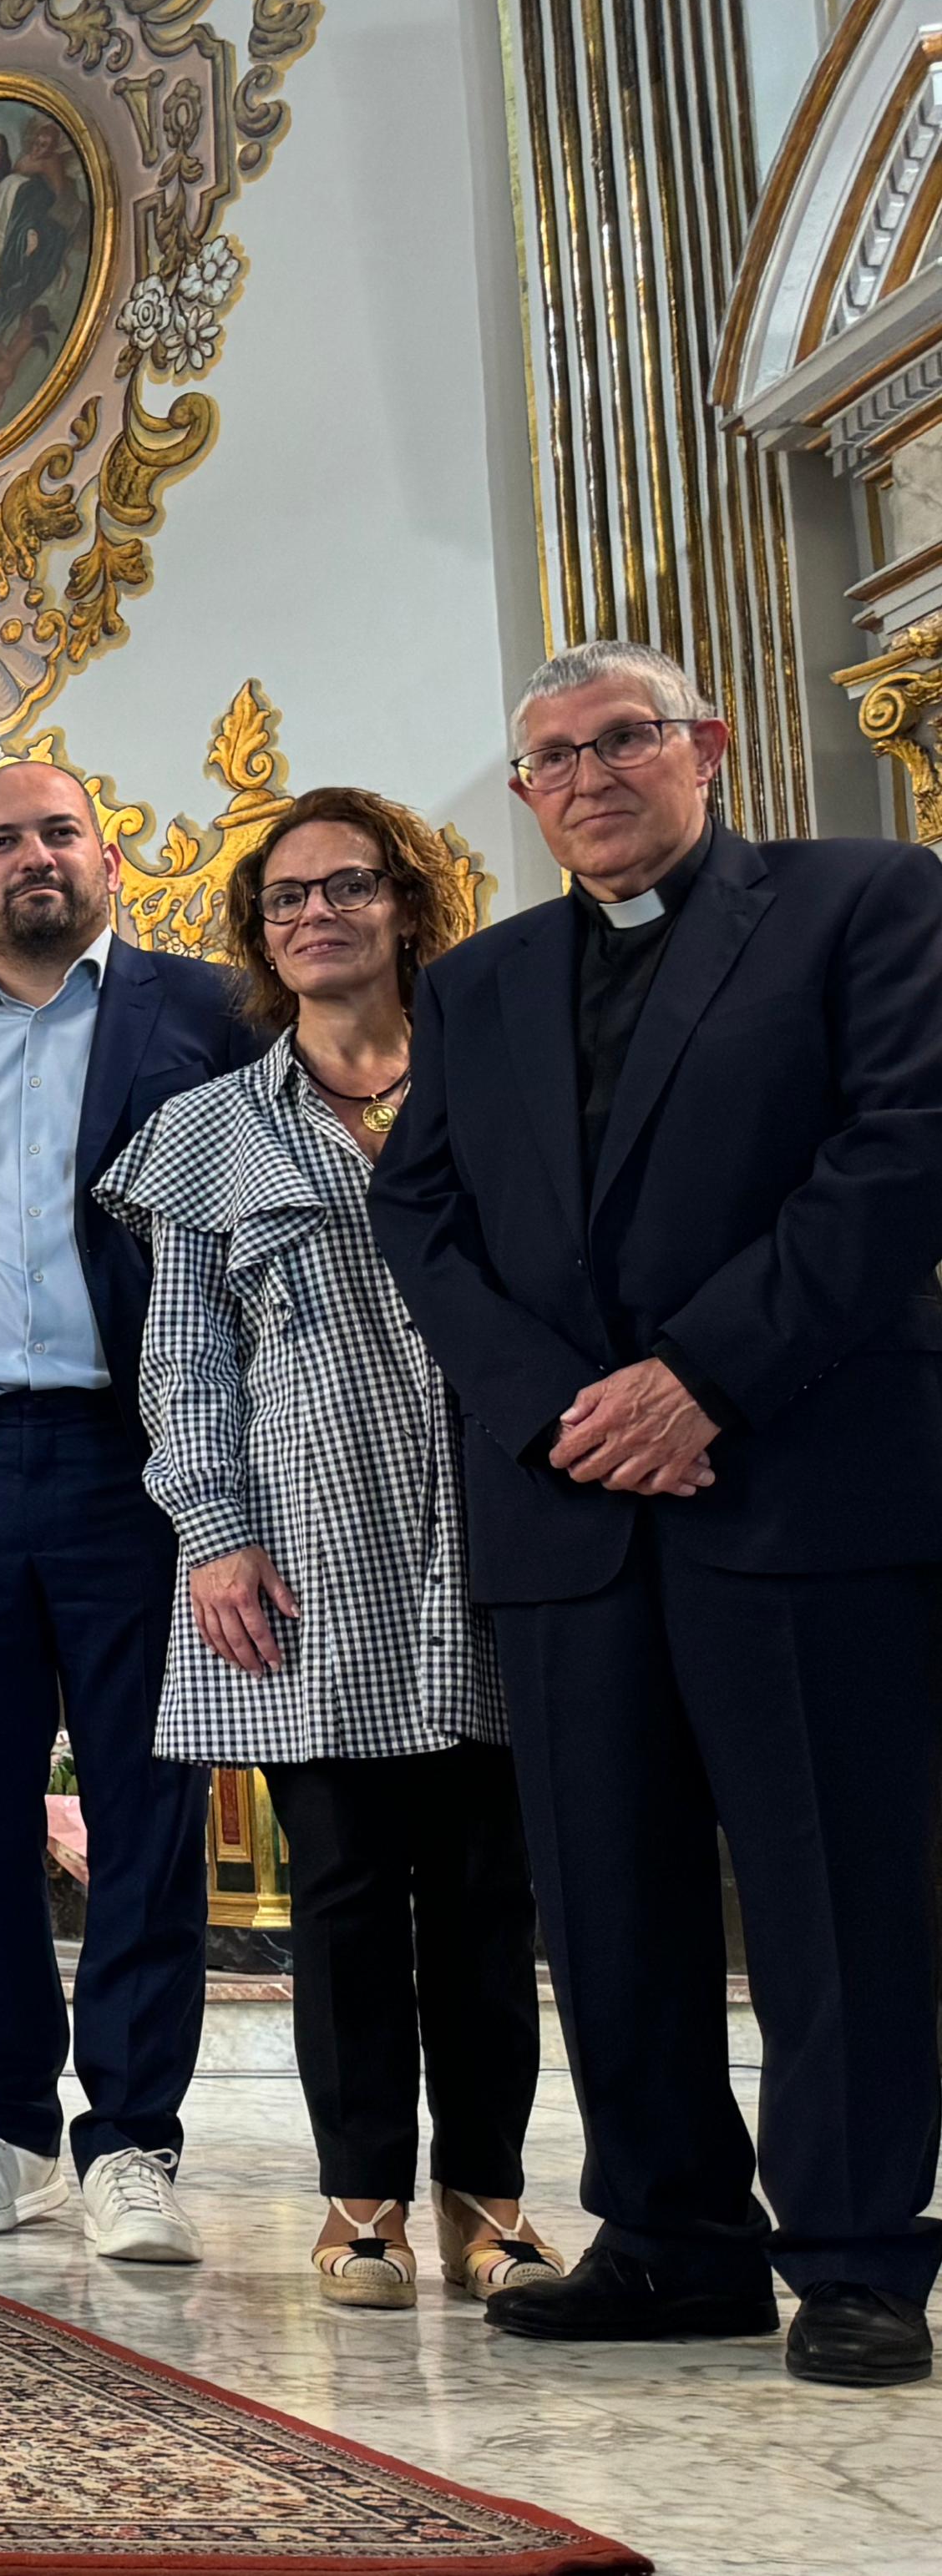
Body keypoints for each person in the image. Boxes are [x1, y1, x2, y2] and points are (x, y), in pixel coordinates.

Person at [373, 641, 942, 2388]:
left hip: (799, 1480)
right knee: (606, 1898)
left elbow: (903, 1149)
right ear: (526, 799)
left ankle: (854, 2256)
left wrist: (702, 1375)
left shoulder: (866, 901)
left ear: (704, 745)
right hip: (568, 1509)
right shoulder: (478, 980)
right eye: (550, 759)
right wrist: (561, 1404)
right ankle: (671, 2237)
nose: (588, 777)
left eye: (621, 739)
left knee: (832, 1890)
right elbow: (422, 1219)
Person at [96, 786, 560, 2312]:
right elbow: (184, 1357)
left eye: (348, 886)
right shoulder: (209, 1130)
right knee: (349, 1887)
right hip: (313, 1546)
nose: (317, 915)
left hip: (499, 1521)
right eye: (286, 898)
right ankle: (360, 2196)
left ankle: (490, 2195)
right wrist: (215, 1535)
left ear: (407, 903)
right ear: (258, 935)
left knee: (492, 1886)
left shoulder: (507, 1087)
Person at [0, 757, 249, 2262]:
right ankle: (2, 2128)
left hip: (140, 1458)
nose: (35, 859)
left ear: (108, 859)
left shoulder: (207, 1017)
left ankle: (133, 2138)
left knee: (150, 1803)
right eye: (2, 840)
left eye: (59, 832)